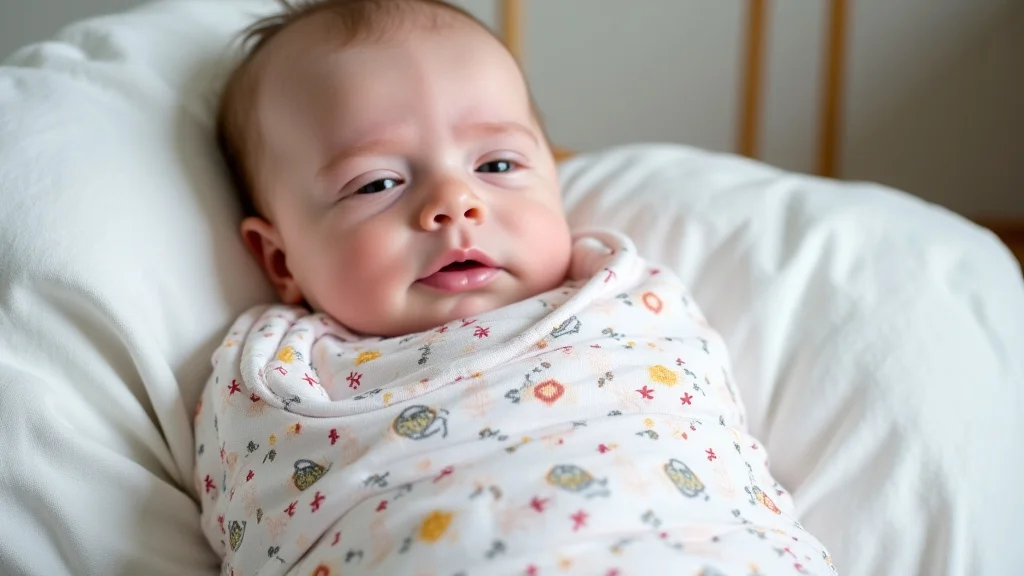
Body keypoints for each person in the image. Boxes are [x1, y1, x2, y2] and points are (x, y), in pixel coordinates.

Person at [194, 1, 839, 574]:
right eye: (377, 183)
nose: (455, 203)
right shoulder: (279, 373)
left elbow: (715, 442)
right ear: (280, 260)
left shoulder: (625, 300)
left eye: (497, 165)